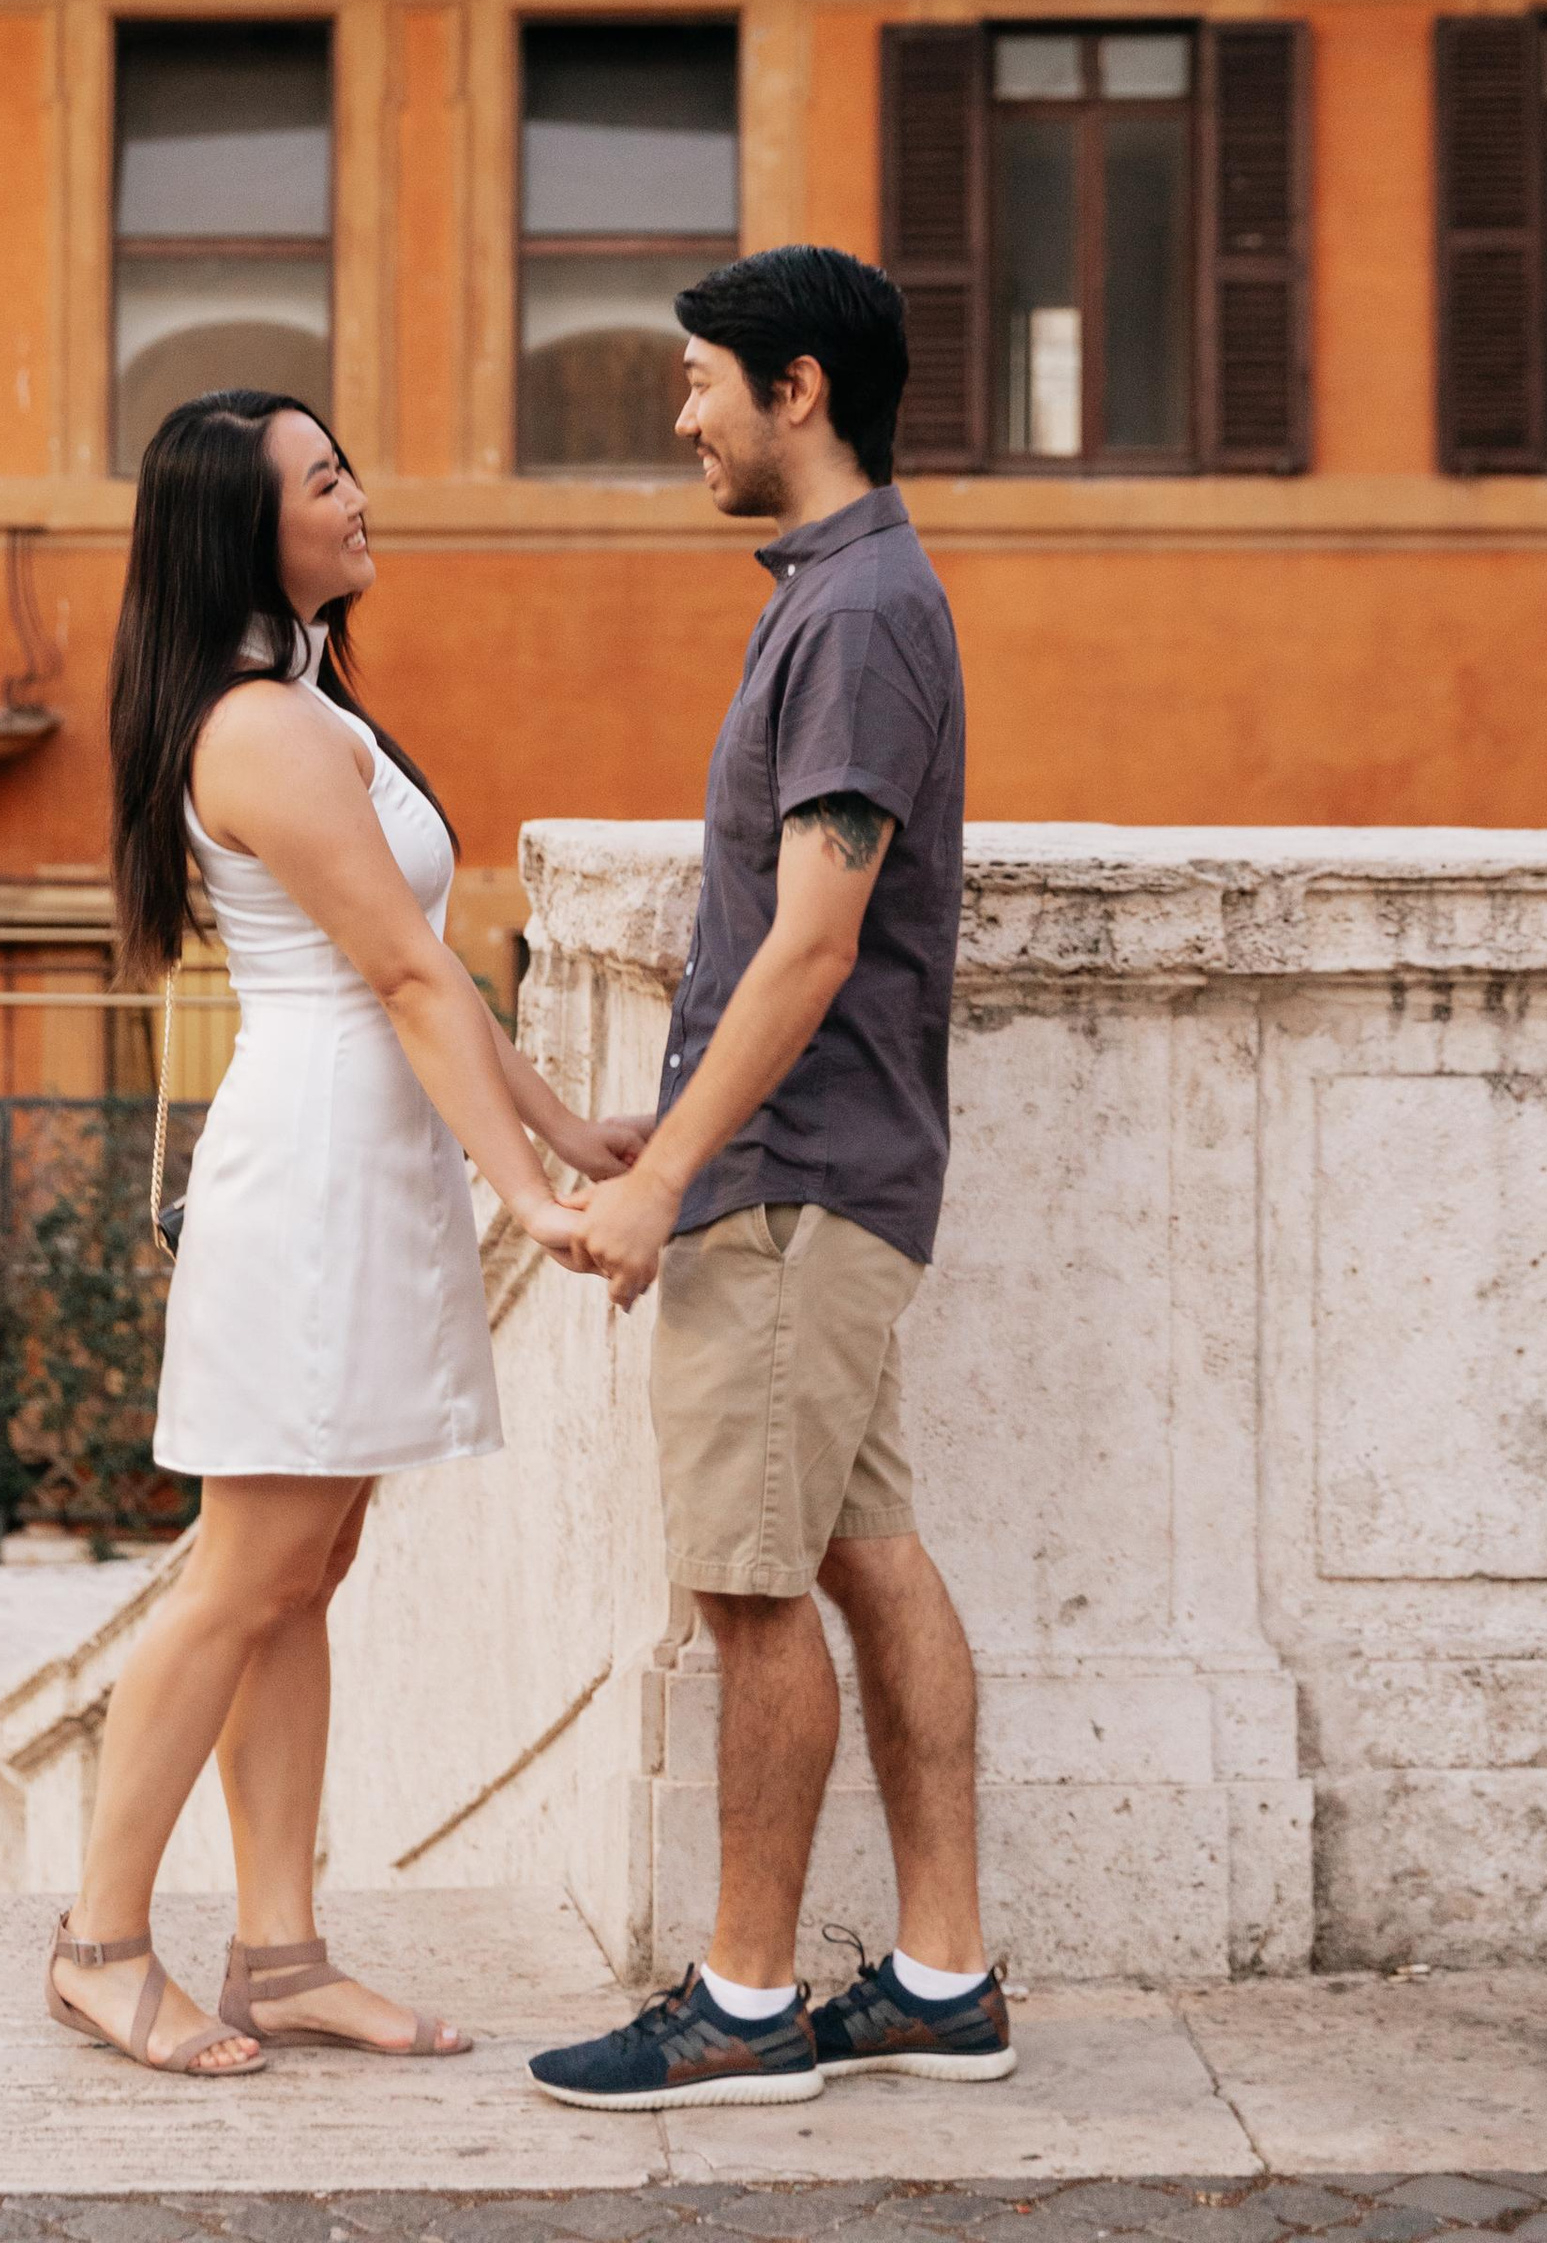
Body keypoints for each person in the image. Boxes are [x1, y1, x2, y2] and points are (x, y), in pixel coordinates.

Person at [46, 387, 641, 2080]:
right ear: (248, 530)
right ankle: (97, 1944)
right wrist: (533, 1198)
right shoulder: (260, 728)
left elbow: (429, 967)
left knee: (306, 1574)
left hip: (362, 1165)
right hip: (312, 1179)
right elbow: (396, 977)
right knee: (241, 1577)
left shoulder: (304, 701)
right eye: (322, 480)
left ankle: (283, 1953)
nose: (358, 494)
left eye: (345, 466)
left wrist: (562, 1131)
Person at [528, 245, 1009, 2116]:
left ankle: (743, 2004)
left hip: (796, 1183)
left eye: (699, 380)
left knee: (749, 1597)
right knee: (867, 1558)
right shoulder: (845, 593)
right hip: (817, 1167)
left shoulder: (862, 613)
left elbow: (814, 937)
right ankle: (944, 1982)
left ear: (795, 390)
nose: (684, 417)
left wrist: (670, 1177)